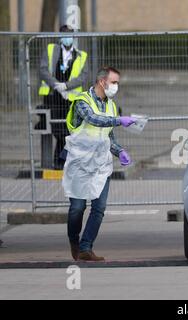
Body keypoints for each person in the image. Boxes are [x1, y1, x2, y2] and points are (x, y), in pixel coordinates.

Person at [62, 66, 137, 262]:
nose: (116, 86)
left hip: (101, 163)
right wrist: (120, 120)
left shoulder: (111, 105)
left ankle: (86, 248)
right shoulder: (82, 101)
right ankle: (74, 241)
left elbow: (108, 135)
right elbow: (94, 120)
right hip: (80, 162)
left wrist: (119, 150)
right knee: (77, 208)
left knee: (99, 207)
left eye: (117, 83)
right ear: (102, 82)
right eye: (114, 82)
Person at [39, 25, 89, 169]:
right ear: (60, 37)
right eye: (64, 35)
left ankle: (61, 161)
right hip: (53, 97)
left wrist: (66, 86)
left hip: (70, 98)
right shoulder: (51, 50)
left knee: (68, 130)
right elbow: (43, 70)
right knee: (56, 129)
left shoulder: (81, 55)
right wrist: (56, 85)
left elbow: (83, 77)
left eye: (69, 35)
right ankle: (62, 160)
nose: (67, 38)